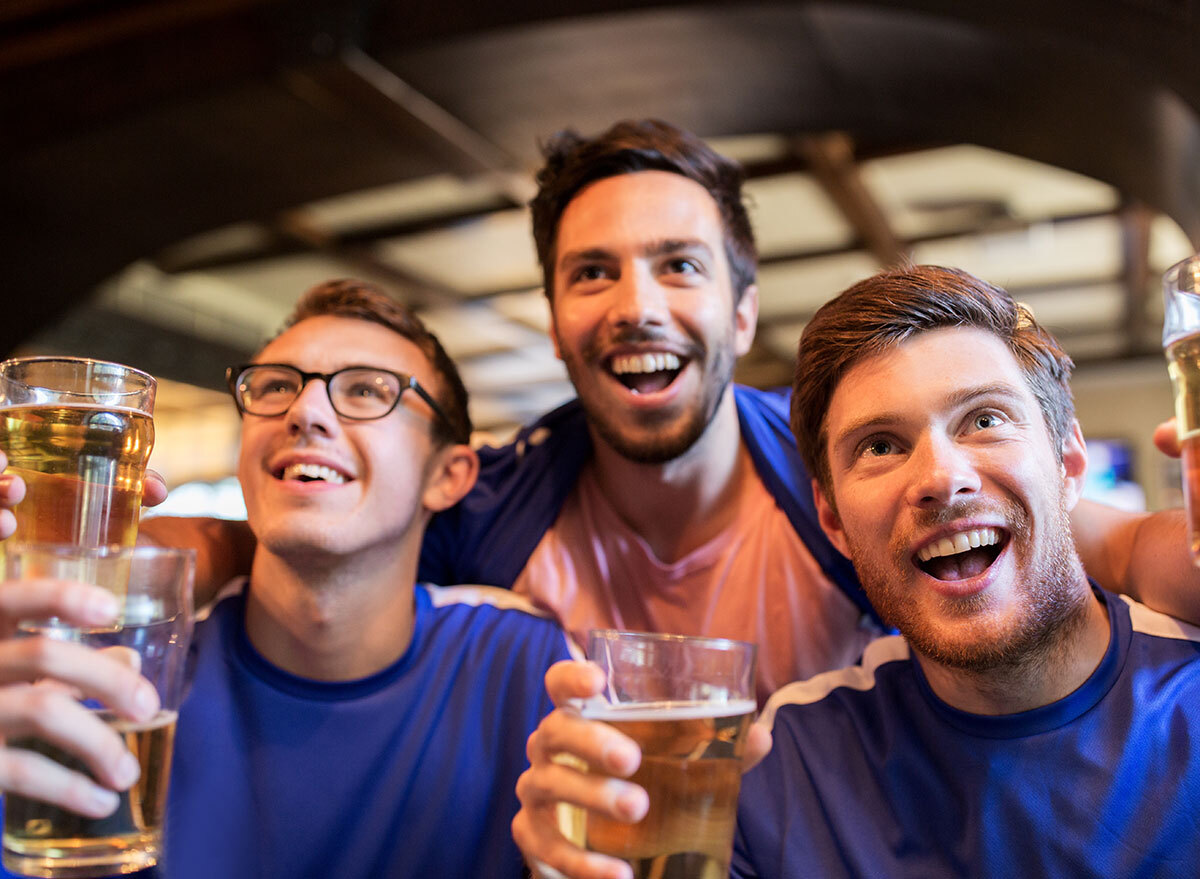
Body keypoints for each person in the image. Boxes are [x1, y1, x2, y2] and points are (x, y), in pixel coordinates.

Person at [137, 120, 1200, 706]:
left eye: (678, 265)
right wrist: (105, 554)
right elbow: (285, 546)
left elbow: (1116, 547)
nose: (636, 306)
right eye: (592, 273)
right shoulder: (495, 504)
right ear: (557, 325)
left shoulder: (849, 473)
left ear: (741, 312)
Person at [513, 265, 1200, 878]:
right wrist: (583, 861)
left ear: (1070, 462)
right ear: (833, 519)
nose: (941, 478)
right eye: (880, 446)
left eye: (985, 419)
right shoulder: (782, 765)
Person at [0, 279, 574, 878]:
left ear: (448, 477)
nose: (305, 412)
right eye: (275, 387)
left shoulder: (524, 665)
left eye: (367, 390)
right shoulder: (117, 667)